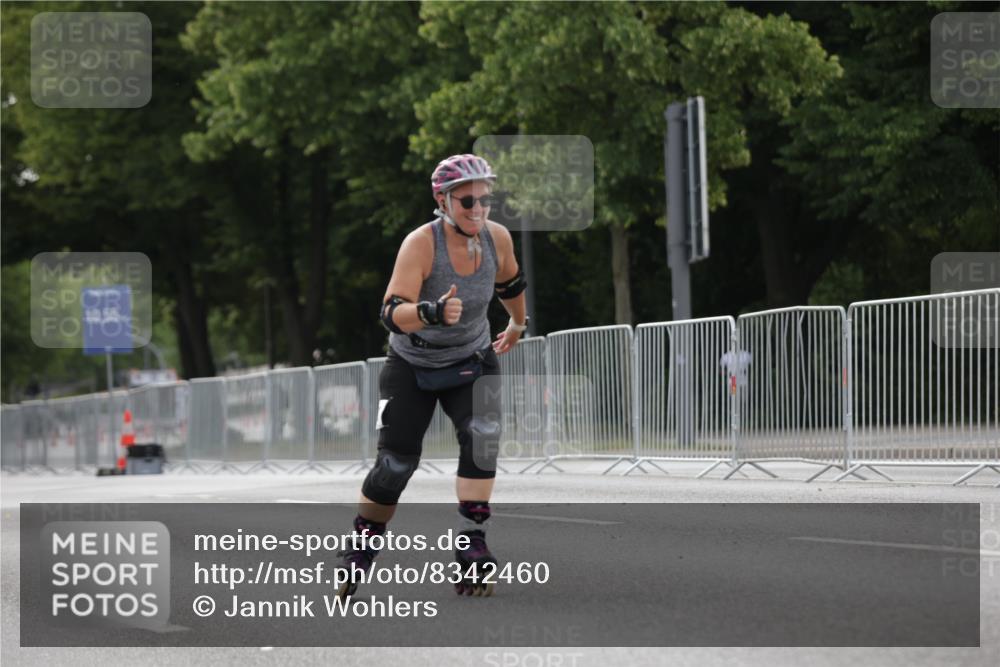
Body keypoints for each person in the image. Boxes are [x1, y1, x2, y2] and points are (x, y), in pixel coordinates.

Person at [337, 154, 529, 598]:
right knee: (395, 465)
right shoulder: (421, 244)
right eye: (467, 201)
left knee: (482, 435)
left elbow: (511, 284)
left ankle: (472, 542)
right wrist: (431, 312)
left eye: (485, 199)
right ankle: (362, 544)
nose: (478, 210)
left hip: (472, 359)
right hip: (413, 365)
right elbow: (389, 312)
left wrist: (517, 324)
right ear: (443, 201)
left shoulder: (497, 237)